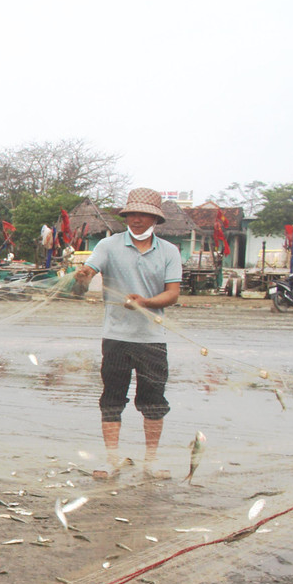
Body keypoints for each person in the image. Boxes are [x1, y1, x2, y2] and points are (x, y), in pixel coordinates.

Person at [74, 188, 182, 480]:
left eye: (143, 215)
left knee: (154, 401)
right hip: (116, 337)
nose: (136, 219)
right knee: (112, 398)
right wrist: (83, 277)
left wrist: (146, 302)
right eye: (132, 214)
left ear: (155, 219)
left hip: (152, 339)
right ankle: (112, 459)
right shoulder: (108, 245)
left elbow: (172, 294)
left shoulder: (169, 251)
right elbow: (88, 273)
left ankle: (152, 460)